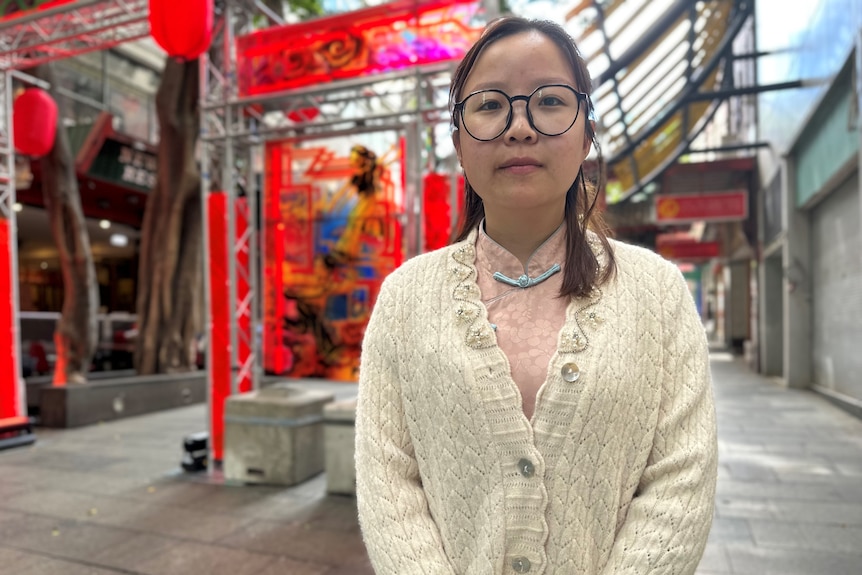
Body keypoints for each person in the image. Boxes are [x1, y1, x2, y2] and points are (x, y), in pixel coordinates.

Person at [355, 16, 717, 575]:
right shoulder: (405, 298)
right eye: (490, 105)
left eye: (549, 101)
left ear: (586, 134)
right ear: (458, 142)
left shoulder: (658, 293)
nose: (519, 127)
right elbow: (387, 478)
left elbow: (682, 477)